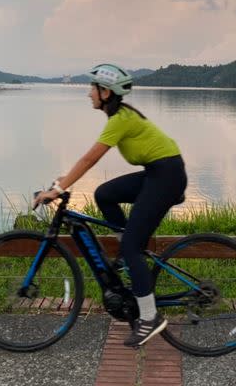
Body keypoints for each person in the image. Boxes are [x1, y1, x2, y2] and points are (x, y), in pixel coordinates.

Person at [33, 63, 187, 347]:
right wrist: (64, 180)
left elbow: (90, 158)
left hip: (167, 177)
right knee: (104, 194)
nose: (89, 93)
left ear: (106, 92)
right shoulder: (119, 116)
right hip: (159, 173)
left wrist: (57, 189)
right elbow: (88, 161)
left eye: (92, 88)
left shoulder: (120, 120)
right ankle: (131, 253)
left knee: (129, 246)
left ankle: (150, 318)